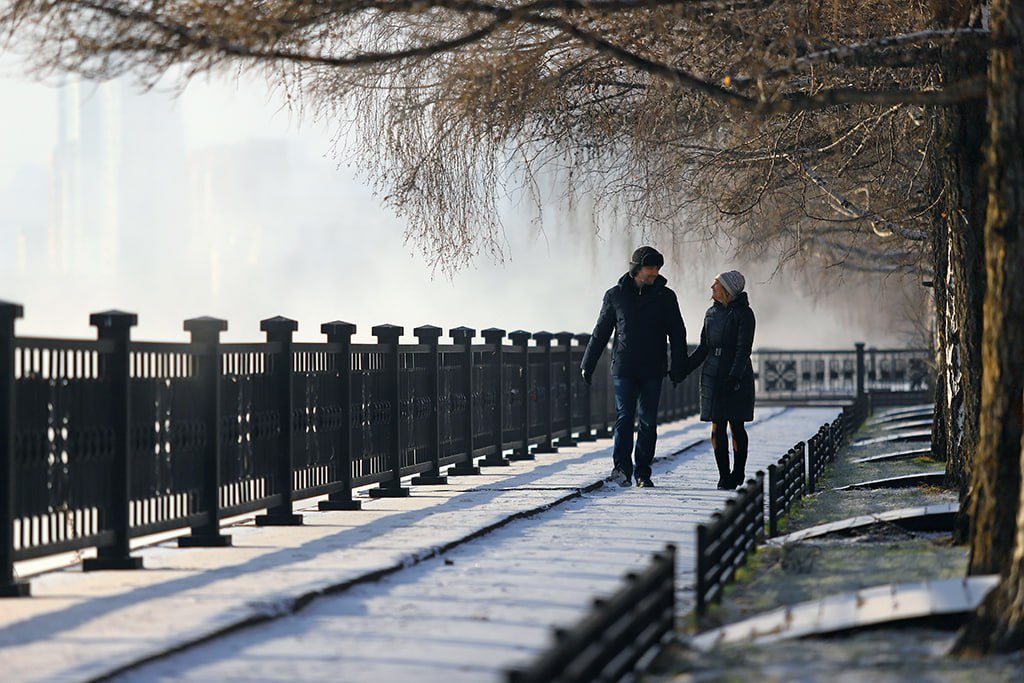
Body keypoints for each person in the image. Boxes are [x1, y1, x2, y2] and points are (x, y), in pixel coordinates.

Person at [580, 246, 688, 488]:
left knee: (648, 421)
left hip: (653, 368)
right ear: (637, 269)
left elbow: (677, 333)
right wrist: (588, 363)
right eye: (651, 268)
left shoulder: (665, 297)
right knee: (624, 417)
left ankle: (643, 472)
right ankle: (621, 469)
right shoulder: (615, 295)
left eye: (657, 268)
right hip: (624, 367)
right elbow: (601, 332)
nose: (655, 273)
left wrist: (679, 366)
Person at [687, 270, 756, 490]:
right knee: (717, 425)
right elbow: (704, 347)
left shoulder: (744, 314)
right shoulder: (711, 313)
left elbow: (743, 350)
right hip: (712, 373)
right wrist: (684, 368)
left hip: (737, 374)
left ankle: (738, 471)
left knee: (736, 424)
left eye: (716, 284)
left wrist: (734, 377)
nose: (712, 287)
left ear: (727, 289)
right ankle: (724, 476)